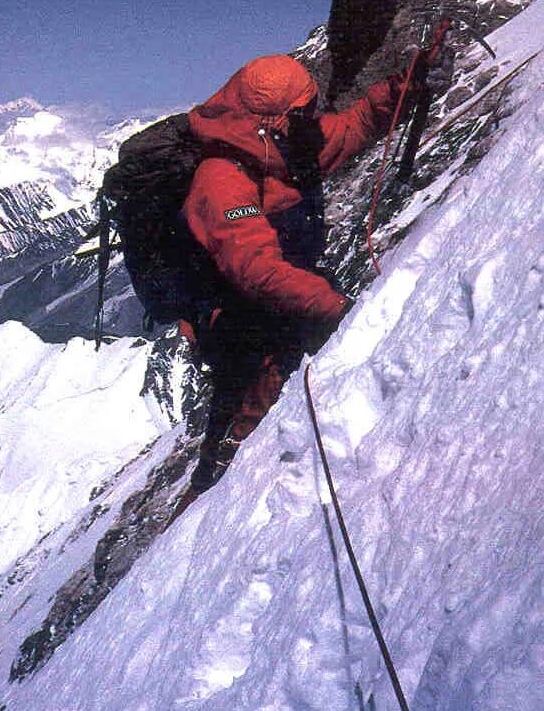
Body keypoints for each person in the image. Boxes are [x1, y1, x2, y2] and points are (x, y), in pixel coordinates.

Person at [177, 40, 451, 502]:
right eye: (302, 113)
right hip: (242, 331)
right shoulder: (220, 179)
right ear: (271, 122)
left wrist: (408, 82)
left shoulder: (283, 150)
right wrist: (339, 309)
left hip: (289, 303)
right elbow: (256, 269)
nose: (313, 120)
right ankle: (202, 507)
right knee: (241, 429)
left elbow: (355, 125)